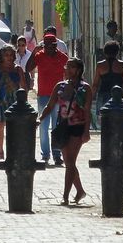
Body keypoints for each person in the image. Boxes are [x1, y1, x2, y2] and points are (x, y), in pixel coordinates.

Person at [38, 58, 92, 205]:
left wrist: (86, 131)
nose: (68, 69)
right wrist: (40, 119)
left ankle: (66, 196)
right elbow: (49, 106)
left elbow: (87, 111)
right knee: (69, 162)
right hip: (62, 126)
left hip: (77, 126)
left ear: (79, 70)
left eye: (72, 67)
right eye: (67, 66)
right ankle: (80, 191)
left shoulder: (85, 88)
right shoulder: (59, 86)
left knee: (70, 162)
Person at [25, 34, 68, 165]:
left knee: (56, 126)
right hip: (43, 95)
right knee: (43, 126)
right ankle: (45, 154)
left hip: (58, 96)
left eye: (51, 46)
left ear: (55, 46)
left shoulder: (62, 57)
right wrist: (34, 52)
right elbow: (27, 68)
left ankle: (56, 154)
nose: (48, 49)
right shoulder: (39, 56)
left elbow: (68, 74)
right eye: (46, 46)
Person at [91, 41, 123, 118]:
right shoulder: (122, 65)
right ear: (117, 52)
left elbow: (95, 85)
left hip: (103, 94)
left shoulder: (100, 65)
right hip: (118, 95)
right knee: (118, 118)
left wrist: (90, 98)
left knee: (103, 119)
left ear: (105, 52)